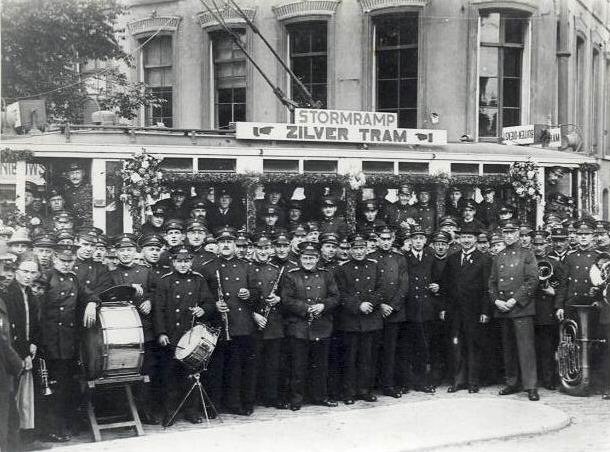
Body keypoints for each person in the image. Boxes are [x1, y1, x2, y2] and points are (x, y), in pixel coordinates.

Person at [43, 245, 100, 441]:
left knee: (67, 386)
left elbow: (90, 294)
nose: (67, 265)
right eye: (63, 261)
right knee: (51, 387)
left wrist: (92, 303)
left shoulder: (74, 279)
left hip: (68, 343)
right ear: (54, 259)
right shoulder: (45, 277)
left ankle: (65, 425)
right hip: (48, 342)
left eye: (70, 261)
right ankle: (51, 429)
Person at [153, 247, 214, 425]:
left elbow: (209, 302)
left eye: (186, 261)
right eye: (179, 261)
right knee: (169, 376)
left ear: (191, 262)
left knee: (191, 374)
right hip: (171, 335)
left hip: (191, 335)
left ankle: (191, 411)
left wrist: (203, 309)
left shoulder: (198, 280)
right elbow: (159, 310)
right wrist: (161, 333)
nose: (183, 264)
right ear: (173, 262)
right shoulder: (165, 281)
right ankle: (170, 412)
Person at [200, 227, 256, 416]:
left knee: (237, 367)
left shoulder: (246, 266)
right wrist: (214, 304)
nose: (225, 245)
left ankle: (236, 403)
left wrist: (249, 294)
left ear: (235, 245)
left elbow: (257, 293)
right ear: (217, 245)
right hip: (217, 324)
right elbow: (201, 296)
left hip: (241, 324)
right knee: (216, 367)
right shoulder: (208, 267)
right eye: (222, 242)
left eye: (229, 242)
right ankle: (214, 404)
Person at [108, 234, 160, 424]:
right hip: (123, 330)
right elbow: (107, 297)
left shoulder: (146, 271)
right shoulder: (111, 274)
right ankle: (125, 411)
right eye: (122, 250)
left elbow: (158, 291)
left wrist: (149, 300)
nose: (126, 254)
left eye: (129, 250)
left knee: (148, 370)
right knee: (124, 369)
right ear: (116, 253)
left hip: (145, 329)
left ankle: (146, 410)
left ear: (135, 252)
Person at [281, 241, 339, 411]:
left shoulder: (326, 274)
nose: (308, 261)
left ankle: (320, 396)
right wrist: (306, 309)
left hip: (322, 325)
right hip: (300, 326)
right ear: (300, 258)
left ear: (317, 258)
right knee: (298, 366)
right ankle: (296, 399)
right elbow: (287, 300)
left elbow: (335, 296)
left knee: (320, 365)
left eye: (312, 258)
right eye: (305, 258)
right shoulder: (291, 275)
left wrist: (323, 306)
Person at [489, 220, 540, 401]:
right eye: (506, 233)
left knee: (525, 349)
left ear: (518, 234)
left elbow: (532, 281)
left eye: (512, 232)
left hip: (521, 308)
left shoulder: (527, 254)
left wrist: (514, 299)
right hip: (503, 308)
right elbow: (492, 282)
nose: (509, 236)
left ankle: (530, 386)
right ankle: (512, 382)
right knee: (509, 348)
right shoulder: (499, 256)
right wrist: (496, 300)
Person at [443, 223, 491, 393]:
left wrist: (485, 311)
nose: (466, 240)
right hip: (456, 311)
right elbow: (446, 286)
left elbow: (487, 287)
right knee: (456, 345)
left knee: (473, 345)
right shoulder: (453, 259)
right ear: (459, 239)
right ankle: (458, 380)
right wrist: (445, 308)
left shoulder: (484, 259)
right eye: (463, 237)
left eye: (470, 237)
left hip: (475, 311)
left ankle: (473, 381)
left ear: (476, 239)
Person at [334, 234, 382, 404]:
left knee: (367, 358)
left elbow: (380, 289)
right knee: (350, 358)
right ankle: (348, 392)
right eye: (355, 248)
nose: (359, 252)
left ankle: (365, 390)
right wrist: (358, 305)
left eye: (362, 248)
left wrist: (371, 303)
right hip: (351, 320)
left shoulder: (374, 266)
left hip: (370, 319)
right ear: (350, 250)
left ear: (367, 249)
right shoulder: (342, 269)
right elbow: (341, 293)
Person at [369, 226, 409, 398]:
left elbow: (404, 284)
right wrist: (380, 305)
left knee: (391, 350)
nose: (385, 242)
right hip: (375, 311)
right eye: (382, 239)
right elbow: (368, 286)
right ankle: (371, 385)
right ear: (377, 240)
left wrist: (392, 305)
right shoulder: (370, 258)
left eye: (388, 239)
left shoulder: (400, 259)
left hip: (394, 312)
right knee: (372, 349)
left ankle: (388, 385)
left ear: (393, 240)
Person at [402, 224, 442, 393]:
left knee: (424, 346)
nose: (418, 242)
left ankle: (422, 381)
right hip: (409, 308)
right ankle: (407, 381)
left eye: (421, 238)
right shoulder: (403, 257)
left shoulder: (430, 257)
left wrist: (437, 286)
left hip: (426, 308)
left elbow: (438, 279)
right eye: (415, 238)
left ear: (425, 241)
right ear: (410, 240)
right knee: (407, 346)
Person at [249, 234, 286, 409]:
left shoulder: (276, 269)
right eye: (260, 248)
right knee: (254, 363)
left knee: (273, 363)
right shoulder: (247, 268)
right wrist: (254, 314)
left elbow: (287, 294)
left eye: (266, 249)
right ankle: (252, 399)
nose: (263, 252)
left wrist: (278, 299)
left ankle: (271, 397)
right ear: (254, 249)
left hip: (273, 323)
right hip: (254, 322)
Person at [531, 230, 560, 391]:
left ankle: (548, 379)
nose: (538, 247)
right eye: (535, 244)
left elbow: (561, 286)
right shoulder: (527, 261)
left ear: (547, 244)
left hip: (547, 310)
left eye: (541, 244)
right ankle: (533, 380)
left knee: (547, 347)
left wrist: (552, 291)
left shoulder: (555, 263)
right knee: (531, 347)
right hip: (530, 309)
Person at [62, 162, 93, 227]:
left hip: (87, 224)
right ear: (68, 176)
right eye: (72, 173)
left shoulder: (90, 189)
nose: (74, 176)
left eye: (77, 173)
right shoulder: (66, 192)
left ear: (83, 174)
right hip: (71, 224)